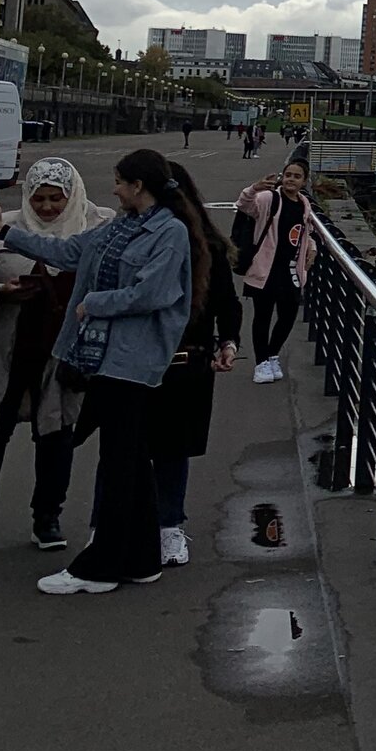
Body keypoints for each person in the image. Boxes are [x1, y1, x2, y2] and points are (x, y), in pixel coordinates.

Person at [0, 148, 199, 595]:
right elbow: (68, 250)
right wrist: (3, 230)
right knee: (132, 459)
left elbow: (153, 292)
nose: (114, 189)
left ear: (138, 186)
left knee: (120, 463)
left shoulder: (169, 232)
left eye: (120, 181)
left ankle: (101, 567)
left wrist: (93, 304)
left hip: (133, 360)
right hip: (108, 357)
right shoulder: (121, 225)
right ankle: (141, 559)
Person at [0, 157, 106, 558]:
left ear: (72, 196)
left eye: (56, 198)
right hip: (4, 352)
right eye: (40, 198)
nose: (47, 207)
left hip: (61, 353)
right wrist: (3, 292)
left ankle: (47, 519)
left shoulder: (98, 224)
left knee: (55, 436)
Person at [148, 161, 238, 567]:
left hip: (187, 359)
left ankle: (169, 525)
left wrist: (229, 342)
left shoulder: (209, 247)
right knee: (128, 447)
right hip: (137, 358)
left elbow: (226, 303)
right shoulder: (131, 237)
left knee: (172, 446)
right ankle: (115, 525)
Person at [236, 161, 316, 382]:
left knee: (288, 315)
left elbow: (305, 232)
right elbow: (244, 205)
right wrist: (254, 188)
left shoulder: (304, 204)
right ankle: (261, 363)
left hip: (291, 269)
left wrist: (312, 248)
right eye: (288, 175)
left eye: (297, 176)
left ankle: (272, 354)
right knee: (262, 316)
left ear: (304, 181)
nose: (291, 179)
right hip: (265, 268)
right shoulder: (269, 198)